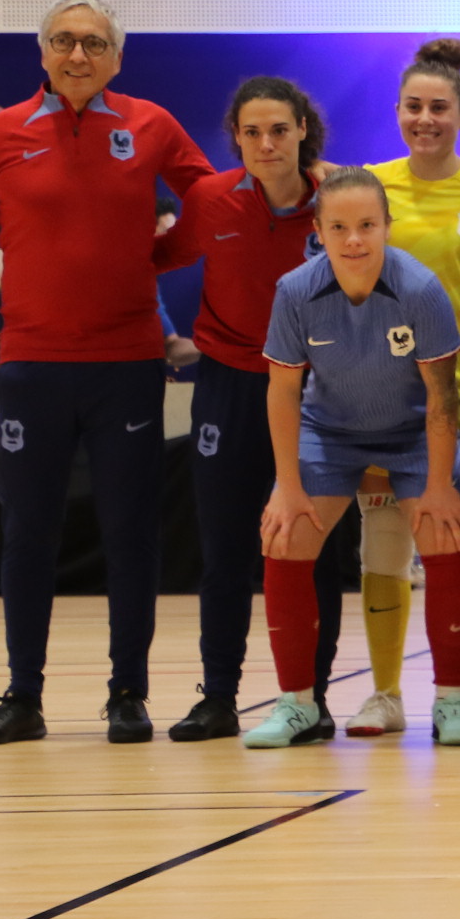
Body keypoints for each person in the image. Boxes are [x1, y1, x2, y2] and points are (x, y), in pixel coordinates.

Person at [0, 0, 215, 745]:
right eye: (63, 40)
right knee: (28, 531)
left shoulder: (151, 124)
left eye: (93, 42)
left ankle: (129, 691)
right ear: (43, 54)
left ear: (117, 57)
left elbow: (215, 199)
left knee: (131, 532)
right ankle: (23, 695)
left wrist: (163, 255)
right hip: (31, 367)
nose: (78, 54)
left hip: (126, 366)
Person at [247, 170, 460, 747]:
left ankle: (449, 702)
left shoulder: (419, 289)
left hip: (412, 433)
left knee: (443, 531)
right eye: (339, 227)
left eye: (367, 225)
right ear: (317, 231)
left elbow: (443, 397)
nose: (354, 240)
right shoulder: (295, 292)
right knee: (285, 534)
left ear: (387, 227)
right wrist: (287, 487)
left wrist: (441, 484)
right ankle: (296, 704)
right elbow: (282, 392)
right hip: (330, 431)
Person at [151, 78, 343, 742]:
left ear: (301, 132)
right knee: (226, 550)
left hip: (320, 394)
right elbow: (149, 258)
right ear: (235, 135)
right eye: (253, 131)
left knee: (314, 554)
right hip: (229, 387)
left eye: (280, 131)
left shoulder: (338, 202)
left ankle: (312, 699)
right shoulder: (208, 199)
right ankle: (219, 697)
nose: (267, 144)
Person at [362, 39, 460, 730]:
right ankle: (386, 694)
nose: (426, 119)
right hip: (389, 401)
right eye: (414, 107)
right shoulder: (369, 186)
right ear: (398, 111)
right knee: (387, 538)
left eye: (439, 109)